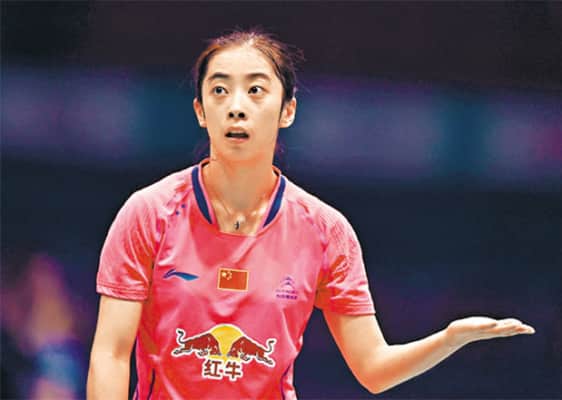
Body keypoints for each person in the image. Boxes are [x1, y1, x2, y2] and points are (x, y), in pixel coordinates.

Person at [87, 29, 535, 399]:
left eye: (256, 90)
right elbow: (111, 354)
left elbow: (373, 368)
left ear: (288, 110)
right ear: (201, 112)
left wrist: (449, 338)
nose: (236, 106)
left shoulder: (325, 231)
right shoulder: (149, 213)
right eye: (219, 90)